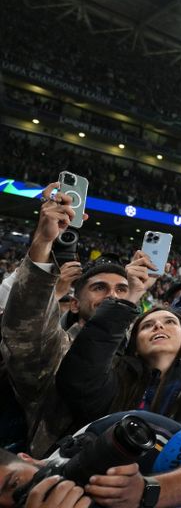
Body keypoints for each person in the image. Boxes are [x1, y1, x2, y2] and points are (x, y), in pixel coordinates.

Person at [0, 183, 131, 454]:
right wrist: (43, 242)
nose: (112, 296)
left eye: (121, 290)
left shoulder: (134, 357)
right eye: (99, 288)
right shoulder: (57, 347)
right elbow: (25, 328)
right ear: (74, 304)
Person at [55, 295, 181, 457]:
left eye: (169, 322)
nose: (158, 327)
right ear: (136, 347)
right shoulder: (116, 377)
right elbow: (78, 381)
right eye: (147, 325)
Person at [0, 410, 181, 508]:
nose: (17, 500)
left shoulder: (101, 438)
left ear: (26, 457)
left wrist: (145, 492)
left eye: (14, 485)